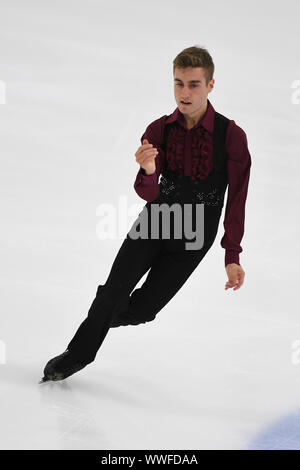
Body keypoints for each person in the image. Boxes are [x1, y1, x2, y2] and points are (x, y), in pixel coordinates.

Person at [40, 45, 251, 383]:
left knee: (143, 311)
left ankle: (105, 303)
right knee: (114, 294)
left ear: (210, 85)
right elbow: (149, 193)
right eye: (178, 83)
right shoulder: (159, 130)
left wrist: (232, 253)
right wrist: (150, 169)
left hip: (195, 236)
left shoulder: (232, 137)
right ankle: (77, 354)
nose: (185, 92)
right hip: (155, 222)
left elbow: (237, 198)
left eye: (193, 84)